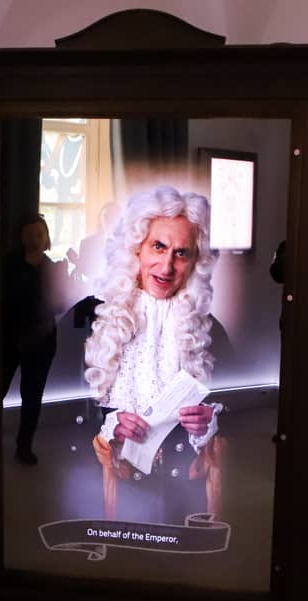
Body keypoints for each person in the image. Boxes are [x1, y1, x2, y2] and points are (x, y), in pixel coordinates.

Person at [83, 186, 226, 521]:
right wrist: (110, 427)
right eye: (158, 246)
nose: (166, 266)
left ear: (195, 262)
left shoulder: (212, 331)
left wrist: (209, 425)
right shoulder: (90, 318)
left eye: (181, 253)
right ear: (136, 248)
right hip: (113, 490)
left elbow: (238, 416)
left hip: (185, 493)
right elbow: (63, 410)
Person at [1, 214, 64, 465]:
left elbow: (59, 306)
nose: (35, 239)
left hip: (42, 341)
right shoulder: (7, 265)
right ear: (21, 237)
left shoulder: (52, 268)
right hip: (9, 339)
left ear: (46, 237)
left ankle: (24, 447)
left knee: (32, 396)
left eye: (39, 234)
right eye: (30, 234)